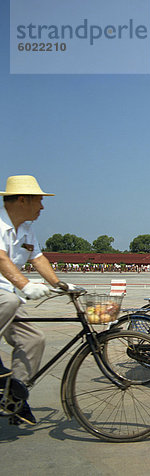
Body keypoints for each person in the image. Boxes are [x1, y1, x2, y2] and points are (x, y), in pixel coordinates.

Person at [0, 175, 74, 425]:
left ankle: (13, 397)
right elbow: (1, 259)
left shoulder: (27, 230)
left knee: (34, 339)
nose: (42, 207)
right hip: (5, 298)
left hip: (6, 298)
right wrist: (25, 284)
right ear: (22, 200)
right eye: (39, 201)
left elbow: (38, 259)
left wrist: (61, 285)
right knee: (9, 301)